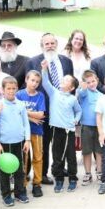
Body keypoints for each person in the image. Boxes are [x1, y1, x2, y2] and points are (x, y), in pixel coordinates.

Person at [29, 33, 74, 185]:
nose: (50, 46)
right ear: (42, 46)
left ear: (57, 44)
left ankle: (60, 169)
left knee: (61, 141)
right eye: (46, 44)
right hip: (43, 111)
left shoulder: (66, 61)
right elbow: (28, 86)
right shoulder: (33, 62)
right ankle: (43, 173)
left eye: (52, 43)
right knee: (45, 143)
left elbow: (71, 86)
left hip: (62, 112)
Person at [40, 65, 81, 193]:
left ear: (72, 87)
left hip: (69, 130)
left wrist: (76, 119)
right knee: (57, 154)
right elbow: (45, 82)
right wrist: (44, 69)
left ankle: (73, 178)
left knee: (71, 155)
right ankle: (59, 178)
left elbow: (79, 111)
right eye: (63, 79)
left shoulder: (73, 99)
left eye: (67, 80)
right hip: (56, 130)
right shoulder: (54, 93)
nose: (63, 80)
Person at [0, 76, 31, 206]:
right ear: (3, 90)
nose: (11, 91)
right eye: (8, 88)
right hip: (4, 143)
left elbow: (26, 123)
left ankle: (20, 192)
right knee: (5, 170)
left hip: (19, 142)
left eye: (13, 88)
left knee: (19, 169)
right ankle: (6, 195)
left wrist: (27, 140)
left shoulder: (21, 105)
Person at [16, 71, 46, 197]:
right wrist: (32, 118)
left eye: (37, 82)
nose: (34, 83)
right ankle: (22, 183)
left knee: (38, 157)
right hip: (22, 132)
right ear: (27, 80)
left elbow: (41, 114)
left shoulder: (40, 96)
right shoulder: (19, 94)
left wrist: (25, 112)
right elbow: (16, 112)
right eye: (32, 80)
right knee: (24, 158)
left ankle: (37, 184)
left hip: (37, 131)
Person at [77, 70, 103, 185]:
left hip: (99, 127)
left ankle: (100, 172)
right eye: (88, 82)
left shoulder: (101, 95)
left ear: (97, 80)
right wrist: (83, 88)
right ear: (84, 83)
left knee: (99, 151)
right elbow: (81, 93)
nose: (91, 84)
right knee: (86, 151)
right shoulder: (83, 92)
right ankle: (88, 173)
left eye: (93, 81)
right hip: (86, 127)